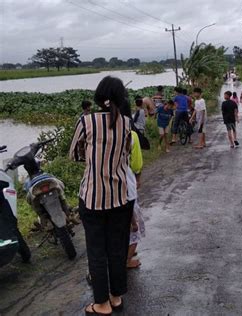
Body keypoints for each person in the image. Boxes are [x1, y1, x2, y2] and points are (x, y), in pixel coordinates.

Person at [69, 76, 133, 315]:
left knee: (97, 251)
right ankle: (116, 298)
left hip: (93, 197)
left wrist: (94, 158)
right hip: (120, 196)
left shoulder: (87, 121)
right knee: (117, 248)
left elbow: (74, 154)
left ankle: (101, 304)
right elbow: (126, 153)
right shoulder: (126, 123)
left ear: (98, 96)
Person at [127, 130, 145, 269]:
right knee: (134, 228)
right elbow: (137, 163)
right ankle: (127, 260)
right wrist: (138, 178)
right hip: (127, 189)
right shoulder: (130, 135)